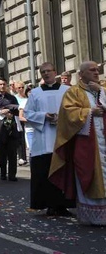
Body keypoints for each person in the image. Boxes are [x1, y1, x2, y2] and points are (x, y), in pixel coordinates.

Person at [49, 61, 106, 225]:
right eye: (92, 70)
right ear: (81, 74)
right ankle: (91, 216)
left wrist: (100, 91)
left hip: (103, 139)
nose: (96, 72)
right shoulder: (73, 92)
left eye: (97, 70)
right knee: (87, 172)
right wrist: (89, 112)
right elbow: (68, 114)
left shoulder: (102, 89)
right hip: (86, 143)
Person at [24, 62, 72, 216]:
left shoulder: (67, 90)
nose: (46, 74)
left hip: (62, 137)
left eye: (48, 71)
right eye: (43, 72)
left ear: (55, 72)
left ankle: (63, 205)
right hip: (43, 138)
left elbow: (73, 110)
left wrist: (62, 118)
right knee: (45, 173)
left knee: (63, 173)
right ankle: (50, 205)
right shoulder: (35, 93)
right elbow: (28, 113)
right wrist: (44, 116)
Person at [0, 79, 21, 181]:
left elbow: (18, 110)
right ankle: (3, 173)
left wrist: (10, 111)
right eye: (0, 84)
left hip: (11, 128)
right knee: (1, 153)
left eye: (4, 84)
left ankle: (12, 175)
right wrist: (0, 112)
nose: (2, 86)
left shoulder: (12, 98)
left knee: (12, 153)